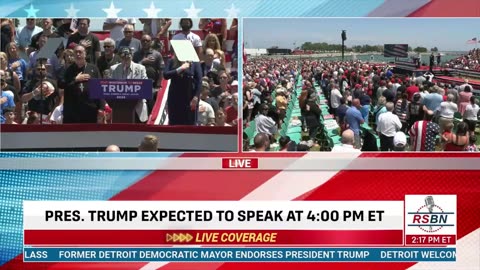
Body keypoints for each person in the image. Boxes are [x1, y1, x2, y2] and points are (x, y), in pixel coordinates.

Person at [63, 45, 104, 123]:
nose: (78, 54)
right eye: (76, 52)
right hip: (72, 111)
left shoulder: (93, 68)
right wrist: (75, 79)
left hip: (90, 110)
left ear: (85, 54)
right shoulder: (69, 70)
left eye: (80, 52)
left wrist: (101, 108)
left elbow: (99, 89)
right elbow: (62, 86)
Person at [109, 47, 149, 123]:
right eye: (123, 57)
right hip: (120, 108)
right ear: (120, 57)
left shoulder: (140, 68)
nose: (126, 59)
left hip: (138, 107)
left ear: (132, 56)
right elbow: (111, 88)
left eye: (128, 57)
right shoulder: (114, 69)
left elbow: (146, 86)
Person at [163, 51, 202, 125]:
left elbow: (199, 81)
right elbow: (166, 75)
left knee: (190, 123)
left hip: (189, 97)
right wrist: (181, 68)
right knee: (174, 123)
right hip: (175, 98)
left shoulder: (195, 63)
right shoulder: (171, 61)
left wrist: (196, 97)